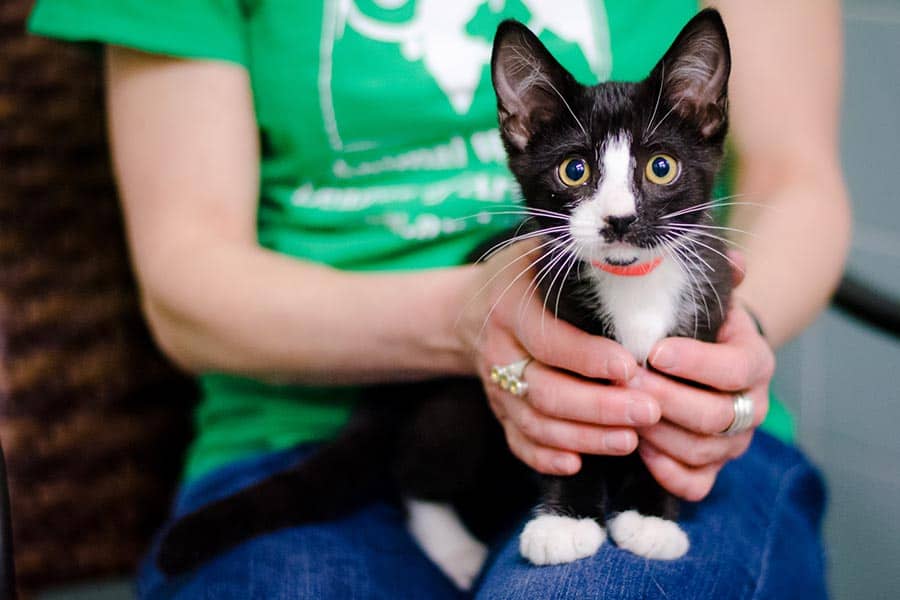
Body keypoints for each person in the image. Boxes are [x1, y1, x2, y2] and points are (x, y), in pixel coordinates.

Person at [29, 0, 849, 597]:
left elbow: (796, 177)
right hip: (316, 416)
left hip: (691, 447)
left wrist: (726, 352)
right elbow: (183, 285)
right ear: (520, 129)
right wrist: (463, 317)